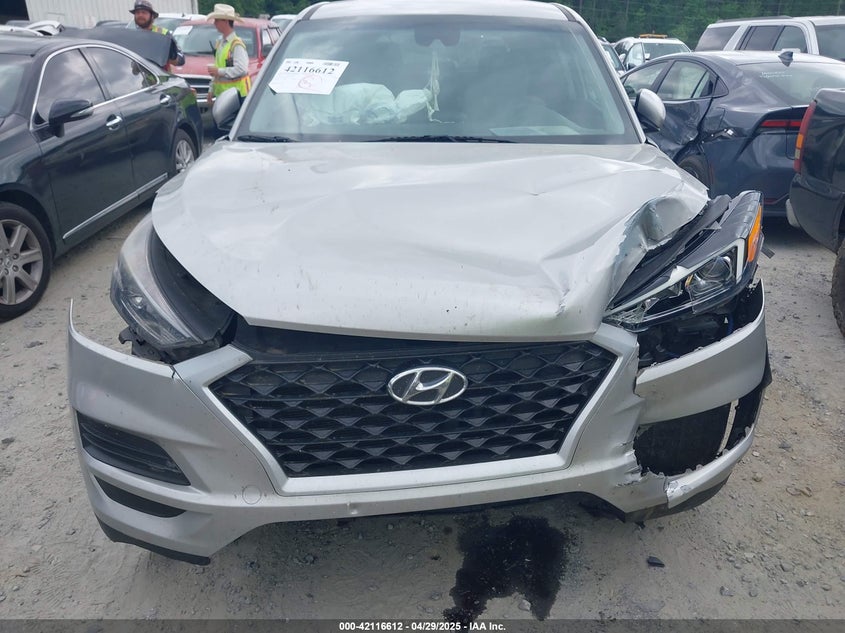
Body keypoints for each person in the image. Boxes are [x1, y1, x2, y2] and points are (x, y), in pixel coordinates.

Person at [205, 3, 250, 108]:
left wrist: (219, 71)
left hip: (238, 95)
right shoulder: (220, 43)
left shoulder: (236, 44)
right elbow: (216, 68)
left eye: (217, 20)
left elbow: (241, 69)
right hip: (225, 96)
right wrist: (211, 89)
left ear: (225, 21)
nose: (214, 23)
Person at [129, 0, 184, 68]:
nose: (140, 15)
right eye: (137, 13)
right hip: (136, 74)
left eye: (144, 12)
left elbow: (181, 60)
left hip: (159, 74)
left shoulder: (163, 34)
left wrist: (168, 55)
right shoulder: (131, 36)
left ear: (152, 16)